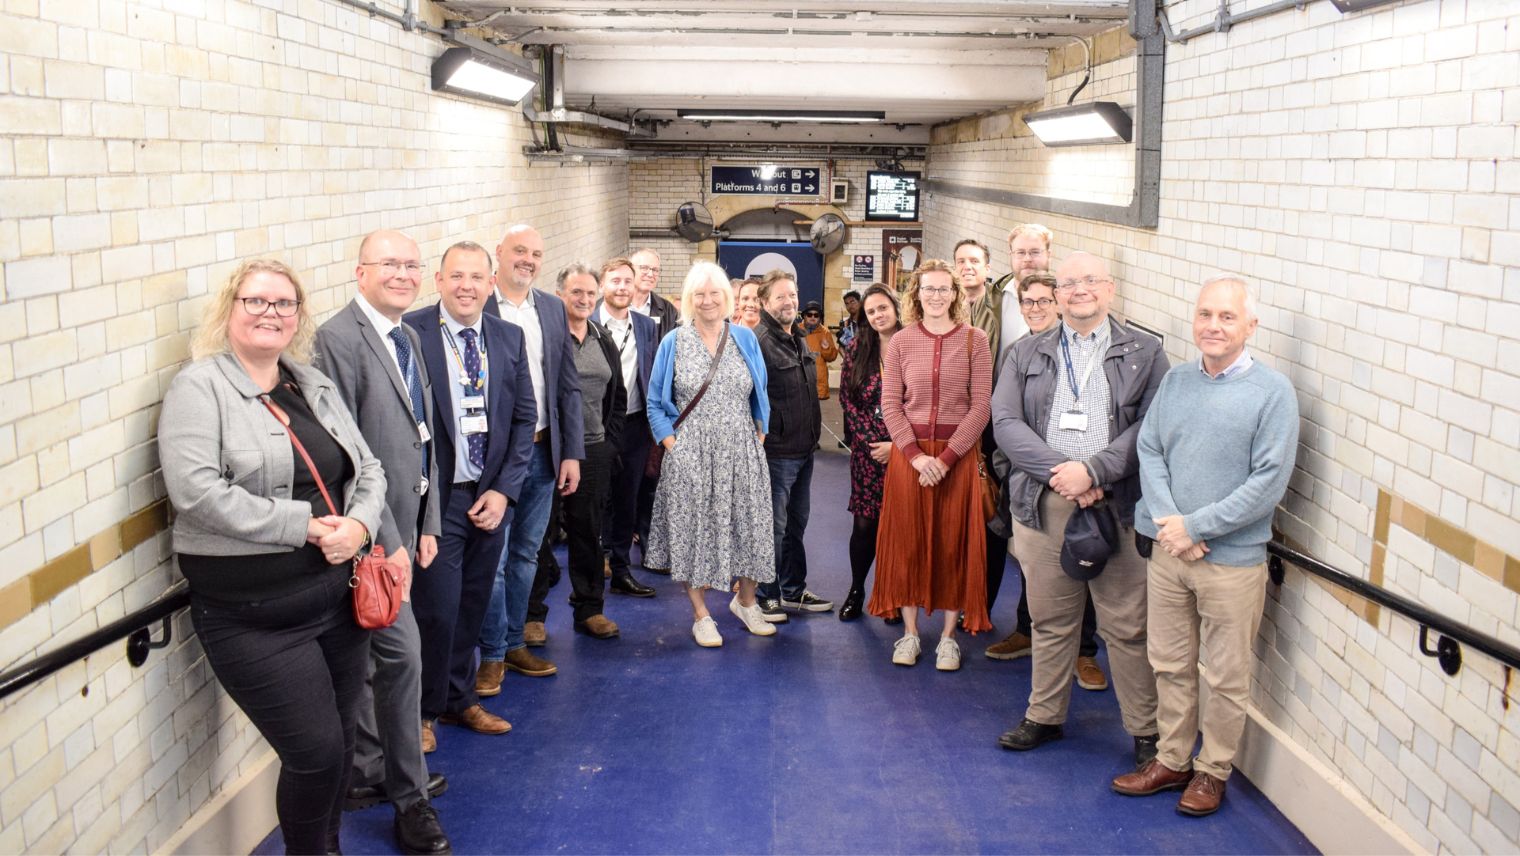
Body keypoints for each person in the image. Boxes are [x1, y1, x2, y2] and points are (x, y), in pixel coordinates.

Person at [161, 259, 390, 855]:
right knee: (313, 754)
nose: (270, 313)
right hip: (253, 617)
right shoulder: (200, 387)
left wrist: (360, 525)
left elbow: (366, 466)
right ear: (230, 309)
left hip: (338, 603)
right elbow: (196, 492)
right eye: (256, 302)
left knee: (339, 743)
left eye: (283, 304)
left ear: (298, 317)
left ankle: (329, 847)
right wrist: (308, 529)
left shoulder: (308, 382)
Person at [1111, 277, 1298, 816]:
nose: (1213, 326)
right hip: (1170, 554)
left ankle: (1212, 771)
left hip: (1231, 562)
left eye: (1227, 317)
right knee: (1168, 662)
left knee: (1224, 674)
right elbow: (1150, 450)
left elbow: (1267, 483)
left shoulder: (1273, 393)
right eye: (1205, 315)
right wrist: (1174, 525)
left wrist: (1197, 528)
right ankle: (1172, 760)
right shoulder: (1177, 382)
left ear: (1250, 326)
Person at [991, 252, 1167, 767]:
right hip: (1045, 505)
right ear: (1057, 294)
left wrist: (1094, 471)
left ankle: (1146, 731)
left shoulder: (1147, 352)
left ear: (1109, 290)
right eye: (1068, 283)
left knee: (1127, 627)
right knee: (1050, 619)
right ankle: (1043, 716)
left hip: (1117, 505)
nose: (1078, 290)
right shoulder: (1026, 352)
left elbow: (1153, 427)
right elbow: (1006, 422)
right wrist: (1059, 472)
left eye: (1089, 281)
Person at [313, 231, 449, 854]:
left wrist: (428, 521)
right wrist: (390, 538)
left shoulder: (409, 336)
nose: (402, 274)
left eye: (411, 265)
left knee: (383, 660)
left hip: (404, 529)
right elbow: (350, 454)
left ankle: (375, 772)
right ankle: (409, 798)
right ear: (358, 271)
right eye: (389, 264)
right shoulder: (337, 340)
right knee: (402, 658)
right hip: (368, 537)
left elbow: (424, 440)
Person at [405, 241, 536, 747]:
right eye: (456, 276)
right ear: (437, 280)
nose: (466, 287)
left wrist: (504, 491)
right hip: (435, 500)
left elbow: (524, 419)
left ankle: (460, 700)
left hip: (489, 497)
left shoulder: (506, 336)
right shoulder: (412, 332)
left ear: (490, 282)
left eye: (476, 277)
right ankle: (422, 712)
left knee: (473, 604)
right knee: (436, 608)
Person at [984, 273, 1109, 695]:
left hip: (1088, 484)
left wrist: (1085, 476)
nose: (1035, 308)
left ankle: (1084, 651)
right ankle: (1027, 632)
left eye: (1043, 301)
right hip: (1030, 480)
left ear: (1058, 303)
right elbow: (1008, 420)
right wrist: (1035, 469)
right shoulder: (1018, 353)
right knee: (1034, 568)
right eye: (1028, 302)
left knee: (1085, 564)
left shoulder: (1088, 351)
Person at [645, 262, 778, 647]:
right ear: (689, 299)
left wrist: (759, 432)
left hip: (741, 448)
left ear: (727, 298)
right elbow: (656, 402)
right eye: (699, 294)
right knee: (692, 530)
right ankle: (701, 614)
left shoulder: (744, 338)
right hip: (690, 451)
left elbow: (760, 390)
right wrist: (674, 446)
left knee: (752, 526)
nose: (707, 300)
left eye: (714, 293)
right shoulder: (674, 341)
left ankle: (747, 601)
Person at [869, 260, 993, 671]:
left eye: (944, 289)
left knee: (953, 542)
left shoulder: (976, 341)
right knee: (907, 541)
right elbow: (891, 405)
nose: (936, 296)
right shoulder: (902, 342)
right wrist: (917, 455)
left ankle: (948, 637)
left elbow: (981, 407)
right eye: (929, 289)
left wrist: (946, 458)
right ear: (916, 294)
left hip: (957, 458)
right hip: (911, 457)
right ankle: (909, 634)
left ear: (955, 294)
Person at [477, 224, 585, 688]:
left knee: (526, 555)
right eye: (519, 251)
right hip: (494, 460)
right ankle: (492, 653)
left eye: (536, 254)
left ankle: (516, 641)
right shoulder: (476, 306)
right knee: (494, 559)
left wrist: (571, 452)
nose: (528, 260)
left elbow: (567, 385)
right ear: (498, 254)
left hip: (544, 451)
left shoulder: (550, 310)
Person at [524, 264, 630, 640]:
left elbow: (618, 397)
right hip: (549, 451)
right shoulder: (545, 340)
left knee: (588, 531)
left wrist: (608, 442)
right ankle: (532, 614)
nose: (585, 300)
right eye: (576, 293)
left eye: (590, 293)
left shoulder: (602, 338)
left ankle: (589, 609)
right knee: (539, 534)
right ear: (559, 297)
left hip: (593, 449)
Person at [753, 269, 833, 620]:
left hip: (804, 450)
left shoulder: (799, 336)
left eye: (793, 295)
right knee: (774, 526)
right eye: (781, 297)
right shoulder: (758, 342)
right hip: (776, 453)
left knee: (796, 525)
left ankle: (793, 590)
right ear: (765, 302)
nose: (789, 302)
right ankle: (765, 594)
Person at [597, 258, 662, 591]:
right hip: (596, 428)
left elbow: (651, 372)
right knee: (595, 501)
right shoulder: (588, 321)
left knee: (627, 499)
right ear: (602, 285)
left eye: (627, 281)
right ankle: (595, 569)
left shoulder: (646, 326)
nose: (622, 287)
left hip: (635, 426)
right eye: (615, 281)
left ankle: (621, 569)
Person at [837, 283, 901, 622]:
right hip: (867, 453)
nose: (878, 315)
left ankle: (891, 594)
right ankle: (857, 589)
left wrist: (898, 446)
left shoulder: (913, 344)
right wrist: (871, 440)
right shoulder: (858, 347)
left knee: (900, 527)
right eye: (871, 311)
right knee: (865, 526)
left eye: (883, 308)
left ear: (895, 307)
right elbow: (847, 398)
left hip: (906, 453)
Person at [801, 300, 839, 400]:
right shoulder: (796, 330)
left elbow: (832, 357)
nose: (813, 317)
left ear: (820, 317)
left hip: (818, 383)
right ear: (804, 316)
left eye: (816, 315)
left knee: (816, 414)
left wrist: (826, 349)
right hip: (799, 380)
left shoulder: (825, 332)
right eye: (809, 314)